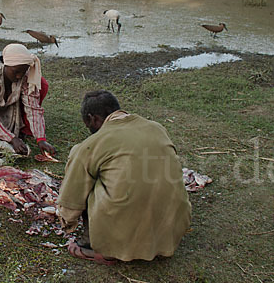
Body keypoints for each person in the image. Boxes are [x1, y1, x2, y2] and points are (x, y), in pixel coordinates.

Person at [57, 90, 191, 265]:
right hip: (171, 228)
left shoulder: (90, 145)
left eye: (87, 124)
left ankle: (99, 249)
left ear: (92, 119)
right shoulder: (156, 128)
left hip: (123, 237)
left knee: (87, 182)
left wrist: (66, 221)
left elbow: (72, 197)